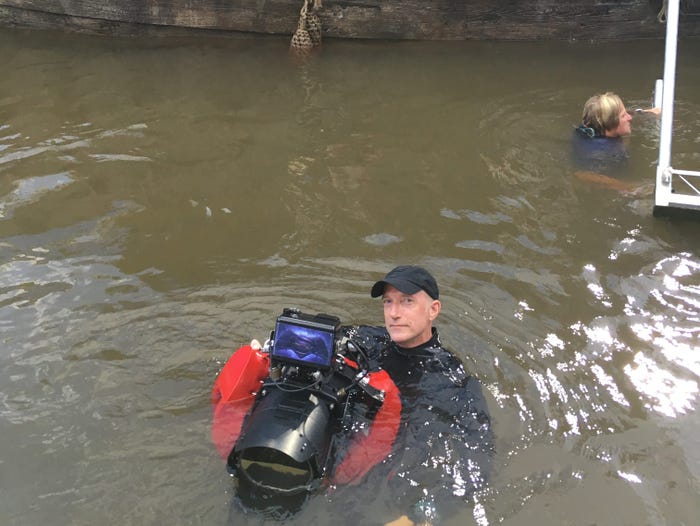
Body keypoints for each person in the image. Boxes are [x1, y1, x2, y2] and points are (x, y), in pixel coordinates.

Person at [339, 265, 494, 526]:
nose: (394, 313)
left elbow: (478, 461)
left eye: (407, 301)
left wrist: (419, 516)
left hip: (388, 484)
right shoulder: (368, 340)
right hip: (342, 454)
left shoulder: (451, 379)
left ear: (433, 310)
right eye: (388, 302)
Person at [572, 91, 660, 193]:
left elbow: (622, 115)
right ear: (610, 124)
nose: (629, 117)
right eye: (623, 116)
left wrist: (650, 113)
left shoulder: (595, 125)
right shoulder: (600, 150)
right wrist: (626, 188)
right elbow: (583, 174)